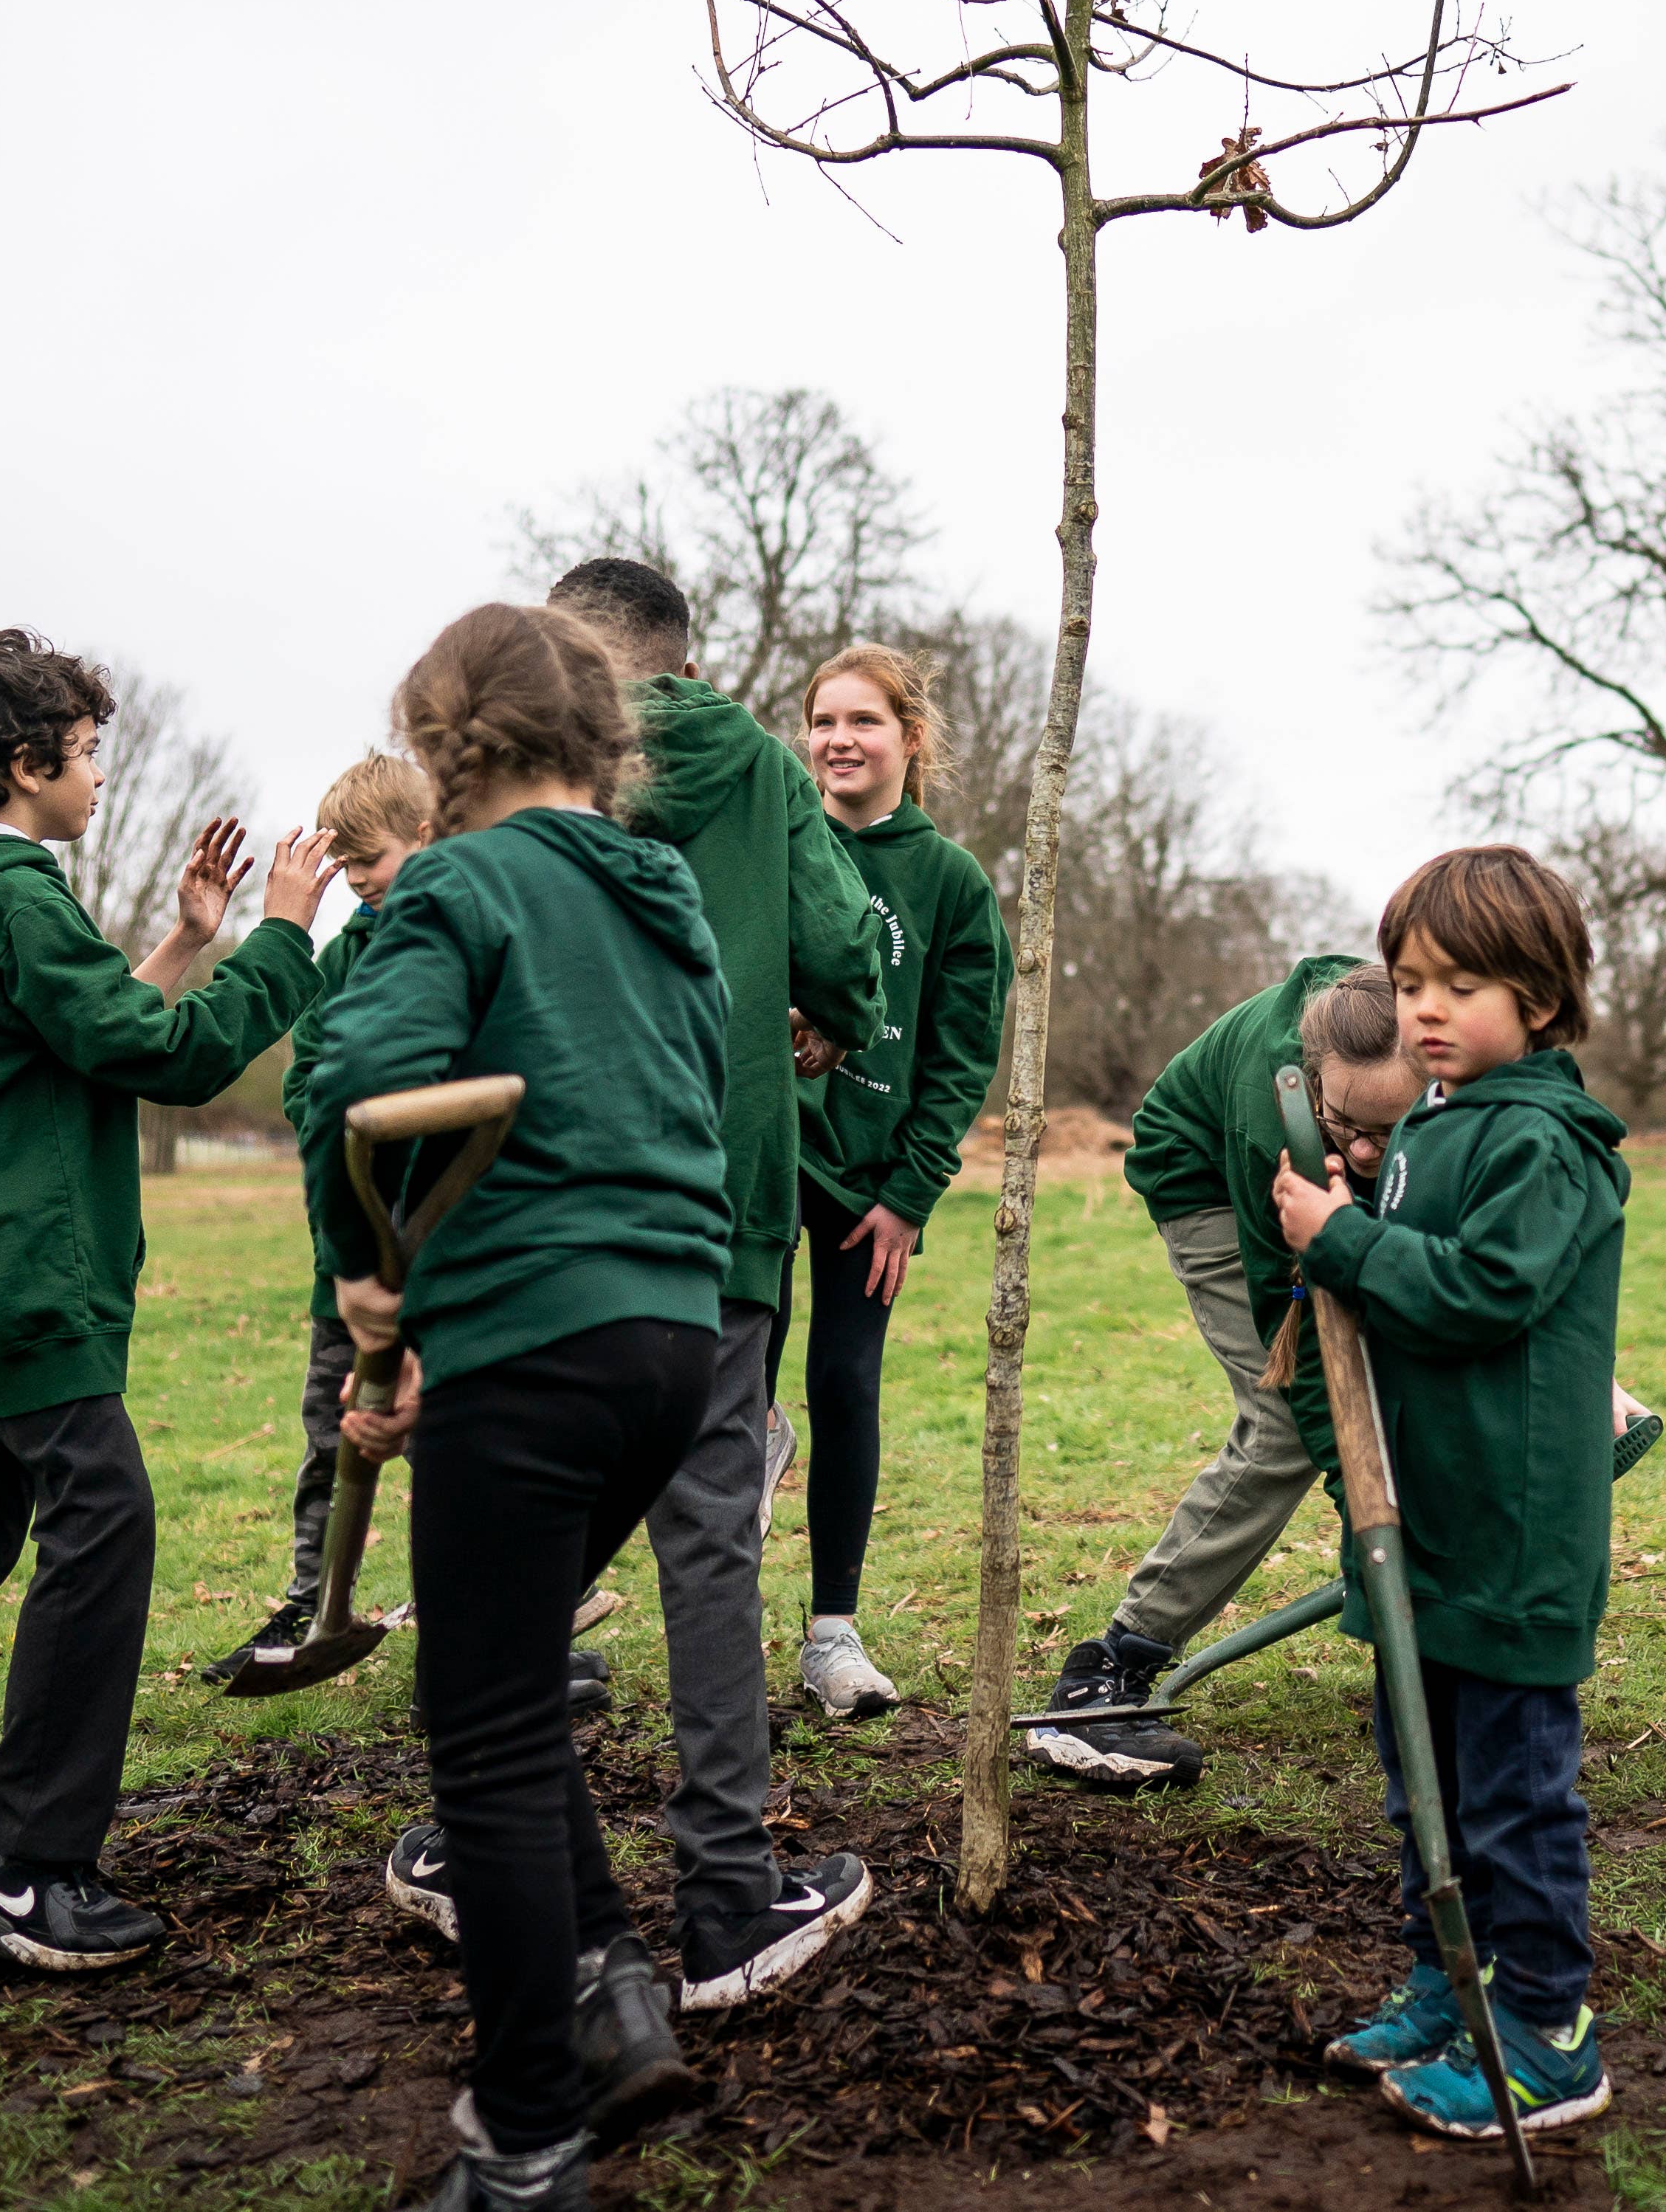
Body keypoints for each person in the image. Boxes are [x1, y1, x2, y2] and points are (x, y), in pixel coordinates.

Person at [380, 558, 886, 2014]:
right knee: (708, 1540)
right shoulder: (761, 776)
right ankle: (727, 1884)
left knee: (520, 1537)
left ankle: (487, 1832)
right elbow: (848, 949)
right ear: (676, 652)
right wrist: (819, 1014)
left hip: (521, 1212)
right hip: (710, 1198)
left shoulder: (484, 818)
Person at [0, 629, 323, 1969]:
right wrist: (278, 939)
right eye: (88, 753)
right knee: (105, 1519)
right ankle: (30, 1868)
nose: (98, 775)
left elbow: (73, 1035)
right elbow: (168, 1056)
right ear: (27, 764)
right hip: (24, 1264)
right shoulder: (21, 899)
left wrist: (176, 941)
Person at [303, 603, 736, 2211]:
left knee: (480, 1734)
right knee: (507, 1666)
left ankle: (526, 2138)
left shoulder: (455, 884)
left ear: (440, 741)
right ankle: (612, 1988)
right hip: (671, 1342)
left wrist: (364, 1277)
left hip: (532, 1341)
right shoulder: (663, 886)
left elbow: (359, 1084)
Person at [1277, 845, 1628, 2139]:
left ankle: (1546, 2032)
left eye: (1463, 982)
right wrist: (1357, 1215)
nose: (1425, 1006)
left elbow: (1484, 1290)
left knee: (1511, 1789)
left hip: (1510, 1530)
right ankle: (1453, 1977)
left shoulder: (1542, 1140)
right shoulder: (1436, 1120)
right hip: (1423, 1521)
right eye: (1412, 978)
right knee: (1418, 1773)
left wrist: (1347, 1238)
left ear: (1538, 998)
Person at [1022, 956, 1394, 1789]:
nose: (1369, 1151)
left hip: (1299, 1150)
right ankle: (1106, 1671)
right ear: (1314, 1081)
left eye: (1390, 1129)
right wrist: (1364, 1510)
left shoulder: (1412, 1030)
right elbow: (1295, 1348)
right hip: (1206, 1180)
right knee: (1286, 1426)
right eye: (1353, 1129)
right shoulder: (1277, 1122)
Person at [774, 644, 1006, 1717]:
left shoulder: (950, 882)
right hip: (767, 1158)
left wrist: (911, 1192)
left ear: (910, 739)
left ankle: (832, 1636)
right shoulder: (771, 845)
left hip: (871, 1183)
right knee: (729, 1384)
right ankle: (718, 1623)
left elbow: (959, 1058)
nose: (836, 740)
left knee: (846, 1386)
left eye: (862, 720)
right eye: (821, 720)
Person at [198, 751, 436, 1689]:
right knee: (332, 1428)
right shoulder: (345, 955)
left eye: (370, 857)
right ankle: (313, 1596)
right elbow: (310, 1076)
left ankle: (497, 1597)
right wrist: (338, 1133)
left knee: (458, 1440)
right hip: (349, 1247)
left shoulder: (469, 933)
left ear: (427, 835)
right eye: (346, 864)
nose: (358, 880)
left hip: (450, 1247)